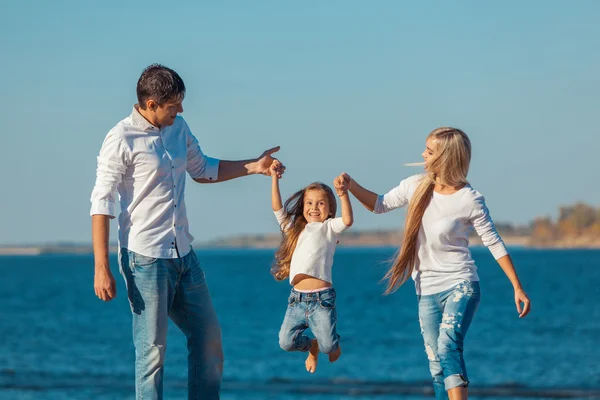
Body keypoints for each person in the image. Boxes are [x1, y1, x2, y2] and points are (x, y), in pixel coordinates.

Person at [90, 64, 285, 400]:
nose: (180, 110)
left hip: (183, 255)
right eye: (173, 105)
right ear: (151, 104)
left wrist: (254, 166)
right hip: (144, 259)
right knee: (152, 354)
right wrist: (101, 267)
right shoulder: (120, 138)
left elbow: (203, 168)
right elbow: (101, 202)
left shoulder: (178, 128)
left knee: (209, 339)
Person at [336, 127, 531, 400]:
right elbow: (379, 204)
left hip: (461, 284)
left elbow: (494, 242)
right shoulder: (416, 186)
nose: (422, 154)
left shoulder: (469, 199)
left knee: (448, 346)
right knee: (436, 363)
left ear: (445, 157)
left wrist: (517, 287)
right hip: (425, 288)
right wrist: (351, 185)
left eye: (429, 151)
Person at [269, 160, 353, 373]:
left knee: (329, 346)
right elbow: (277, 208)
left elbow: (348, 220)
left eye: (321, 203)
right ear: (303, 205)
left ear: (330, 208)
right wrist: (274, 179)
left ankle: (326, 345)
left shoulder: (329, 228)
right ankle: (311, 346)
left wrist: (343, 193)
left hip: (322, 300)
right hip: (296, 300)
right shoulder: (295, 229)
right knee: (285, 342)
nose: (314, 208)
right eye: (309, 203)